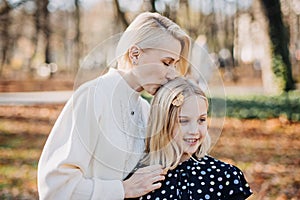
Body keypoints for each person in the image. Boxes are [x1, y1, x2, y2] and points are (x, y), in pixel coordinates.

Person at [37, 12, 191, 200]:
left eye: (174, 65)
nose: (172, 74)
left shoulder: (145, 109)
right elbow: (55, 186)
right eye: (166, 63)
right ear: (135, 54)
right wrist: (122, 189)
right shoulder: (92, 97)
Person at [135, 77, 252, 199]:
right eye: (183, 121)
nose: (194, 131)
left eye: (201, 120)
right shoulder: (141, 179)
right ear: (162, 124)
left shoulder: (224, 176)